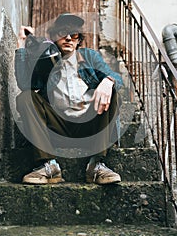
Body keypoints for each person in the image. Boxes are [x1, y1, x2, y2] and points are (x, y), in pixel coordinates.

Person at [15, 13, 123, 185]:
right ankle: (48, 166)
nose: (68, 38)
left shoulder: (89, 57)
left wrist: (107, 82)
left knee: (111, 92)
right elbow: (24, 84)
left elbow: (116, 78)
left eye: (74, 35)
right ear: (53, 36)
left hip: (90, 127)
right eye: (62, 32)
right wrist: (22, 45)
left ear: (79, 39)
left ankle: (97, 165)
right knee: (25, 98)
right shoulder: (46, 59)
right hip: (57, 128)